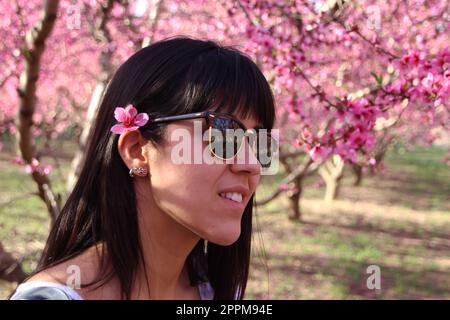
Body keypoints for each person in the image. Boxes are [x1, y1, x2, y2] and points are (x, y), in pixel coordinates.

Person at [10, 37, 275, 300]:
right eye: (224, 133)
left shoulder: (217, 291)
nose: (251, 164)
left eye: (259, 140)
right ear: (137, 150)